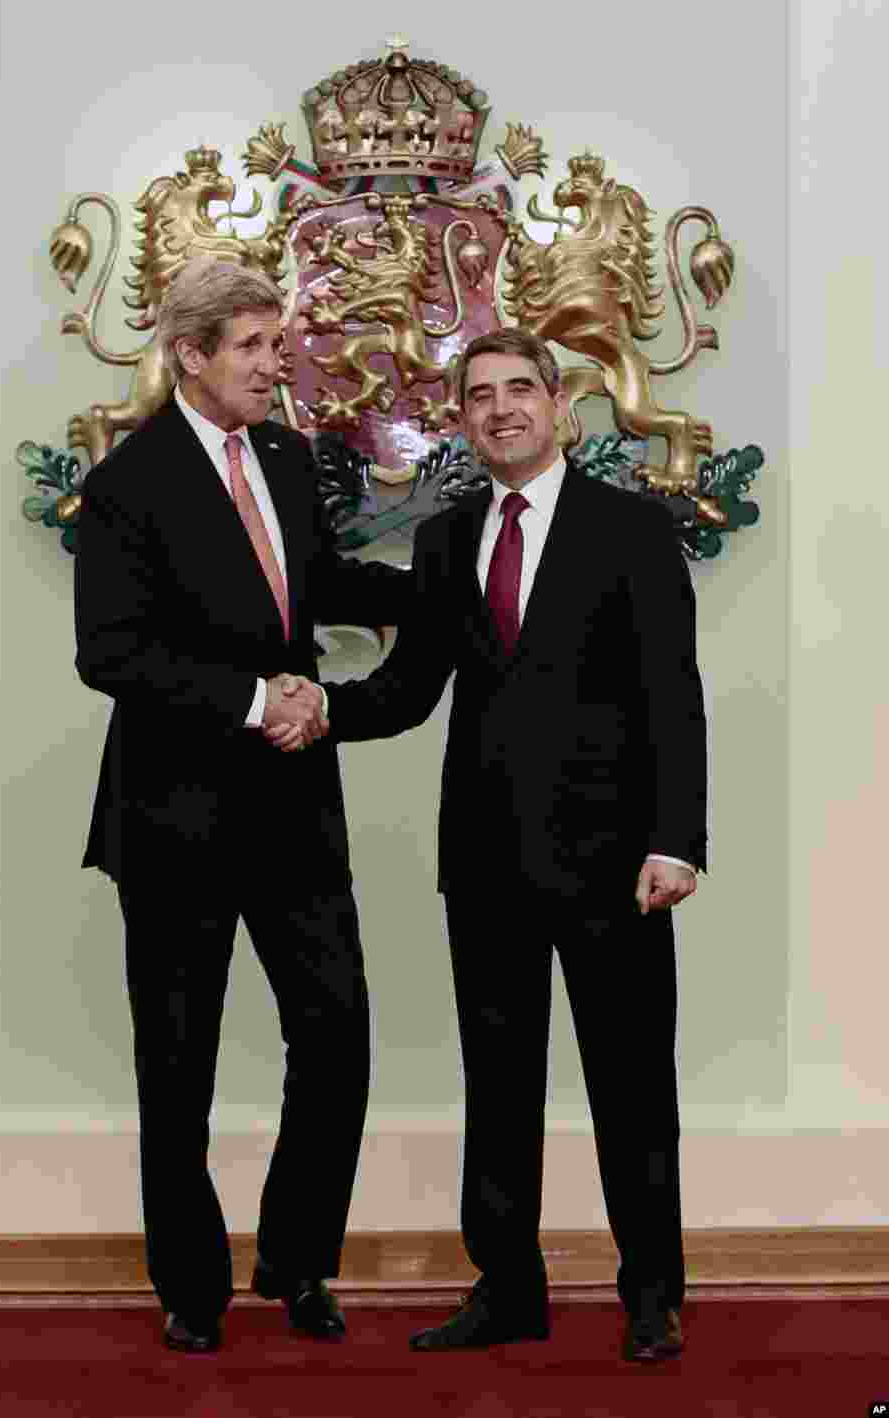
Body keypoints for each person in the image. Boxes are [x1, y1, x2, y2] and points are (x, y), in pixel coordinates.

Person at [293, 328, 707, 1361]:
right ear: (461, 417)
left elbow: (672, 698)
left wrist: (676, 840)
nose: (500, 408)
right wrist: (314, 710)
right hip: (483, 860)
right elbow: (404, 689)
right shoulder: (444, 539)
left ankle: (651, 1289)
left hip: (617, 861)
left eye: (519, 388)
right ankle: (507, 1285)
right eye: (479, 394)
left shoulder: (632, 528)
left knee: (631, 1085)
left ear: (558, 402)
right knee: (499, 1081)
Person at [74, 258, 410, 1353]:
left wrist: (447, 582)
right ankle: (191, 1286)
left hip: (294, 812)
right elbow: (109, 650)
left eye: (280, 340)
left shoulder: (284, 451)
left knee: (338, 1031)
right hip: (173, 818)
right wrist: (250, 694)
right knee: (178, 1061)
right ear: (192, 354)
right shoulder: (129, 480)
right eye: (258, 345)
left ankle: (299, 1260)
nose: (280, 362)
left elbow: (316, 585)